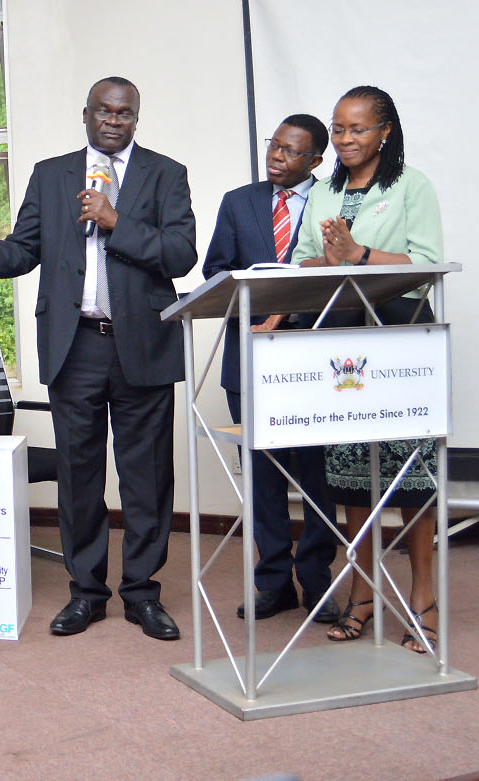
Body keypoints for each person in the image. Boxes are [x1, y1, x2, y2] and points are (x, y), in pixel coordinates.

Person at [0, 76, 195, 640]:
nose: (113, 120)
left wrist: (115, 221)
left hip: (142, 348)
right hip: (73, 344)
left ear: (136, 119)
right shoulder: (51, 175)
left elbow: (180, 254)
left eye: (124, 113)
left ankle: (143, 593)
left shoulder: (165, 174)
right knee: (79, 475)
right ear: (85, 114)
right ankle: (86, 593)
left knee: (146, 477)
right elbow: (22, 252)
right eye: (103, 110)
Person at [292, 86, 443, 652]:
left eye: (357, 129)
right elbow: (305, 259)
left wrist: (357, 255)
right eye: (338, 129)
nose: (346, 139)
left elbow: (430, 264)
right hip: (342, 342)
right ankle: (361, 591)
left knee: (410, 476)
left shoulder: (410, 185)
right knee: (351, 473)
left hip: (401, 343)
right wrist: (328, 259)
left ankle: (423, 598)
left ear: (384, 131)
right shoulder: (325, 191)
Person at [202, 115, 340, 624]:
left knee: (314, 476)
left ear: (315, 162)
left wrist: (293, 310)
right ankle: (273, 583)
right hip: (251, 355)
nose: (276, 157)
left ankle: (318, 583)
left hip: (315, 357)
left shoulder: (333, 201)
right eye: (273, 146)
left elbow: (341, 273)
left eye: (289, 151)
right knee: (261, 477)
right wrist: (257, 300)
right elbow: (215, 270)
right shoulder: (239, 201)